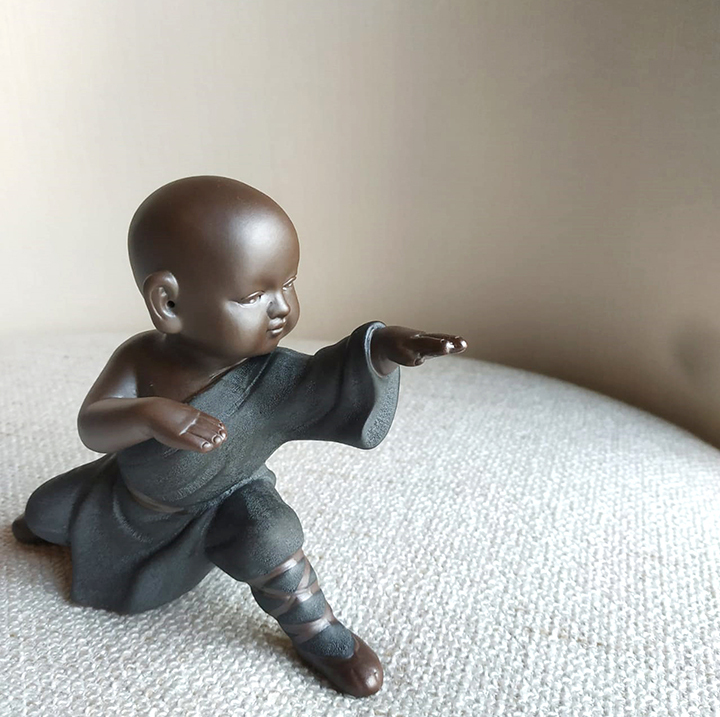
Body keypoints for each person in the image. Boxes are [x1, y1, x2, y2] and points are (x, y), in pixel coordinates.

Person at [13, 176, 466, 697]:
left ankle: (319, 633)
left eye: (288, 284)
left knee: (271, 536)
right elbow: (93, 425)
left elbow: (336, 378)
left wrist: (381, 349)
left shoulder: (278, 376)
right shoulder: (140, 357)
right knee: (43, 512)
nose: (281, 308)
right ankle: (57, 526)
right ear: (168, 303)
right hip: (124, 500)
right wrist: (149, 414)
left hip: (227, 503)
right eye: (254, 295)